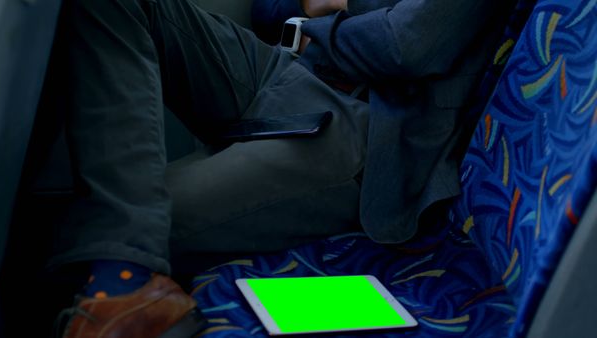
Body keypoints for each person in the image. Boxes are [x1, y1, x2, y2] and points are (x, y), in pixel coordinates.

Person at [49, 0, 515, 337]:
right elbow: (269, 7)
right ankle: (123, 269)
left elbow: (404, 46)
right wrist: (313, 11)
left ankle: (124, 278)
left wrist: (330, 16)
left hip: (366, 133)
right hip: (285, 71)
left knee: (83, 235)